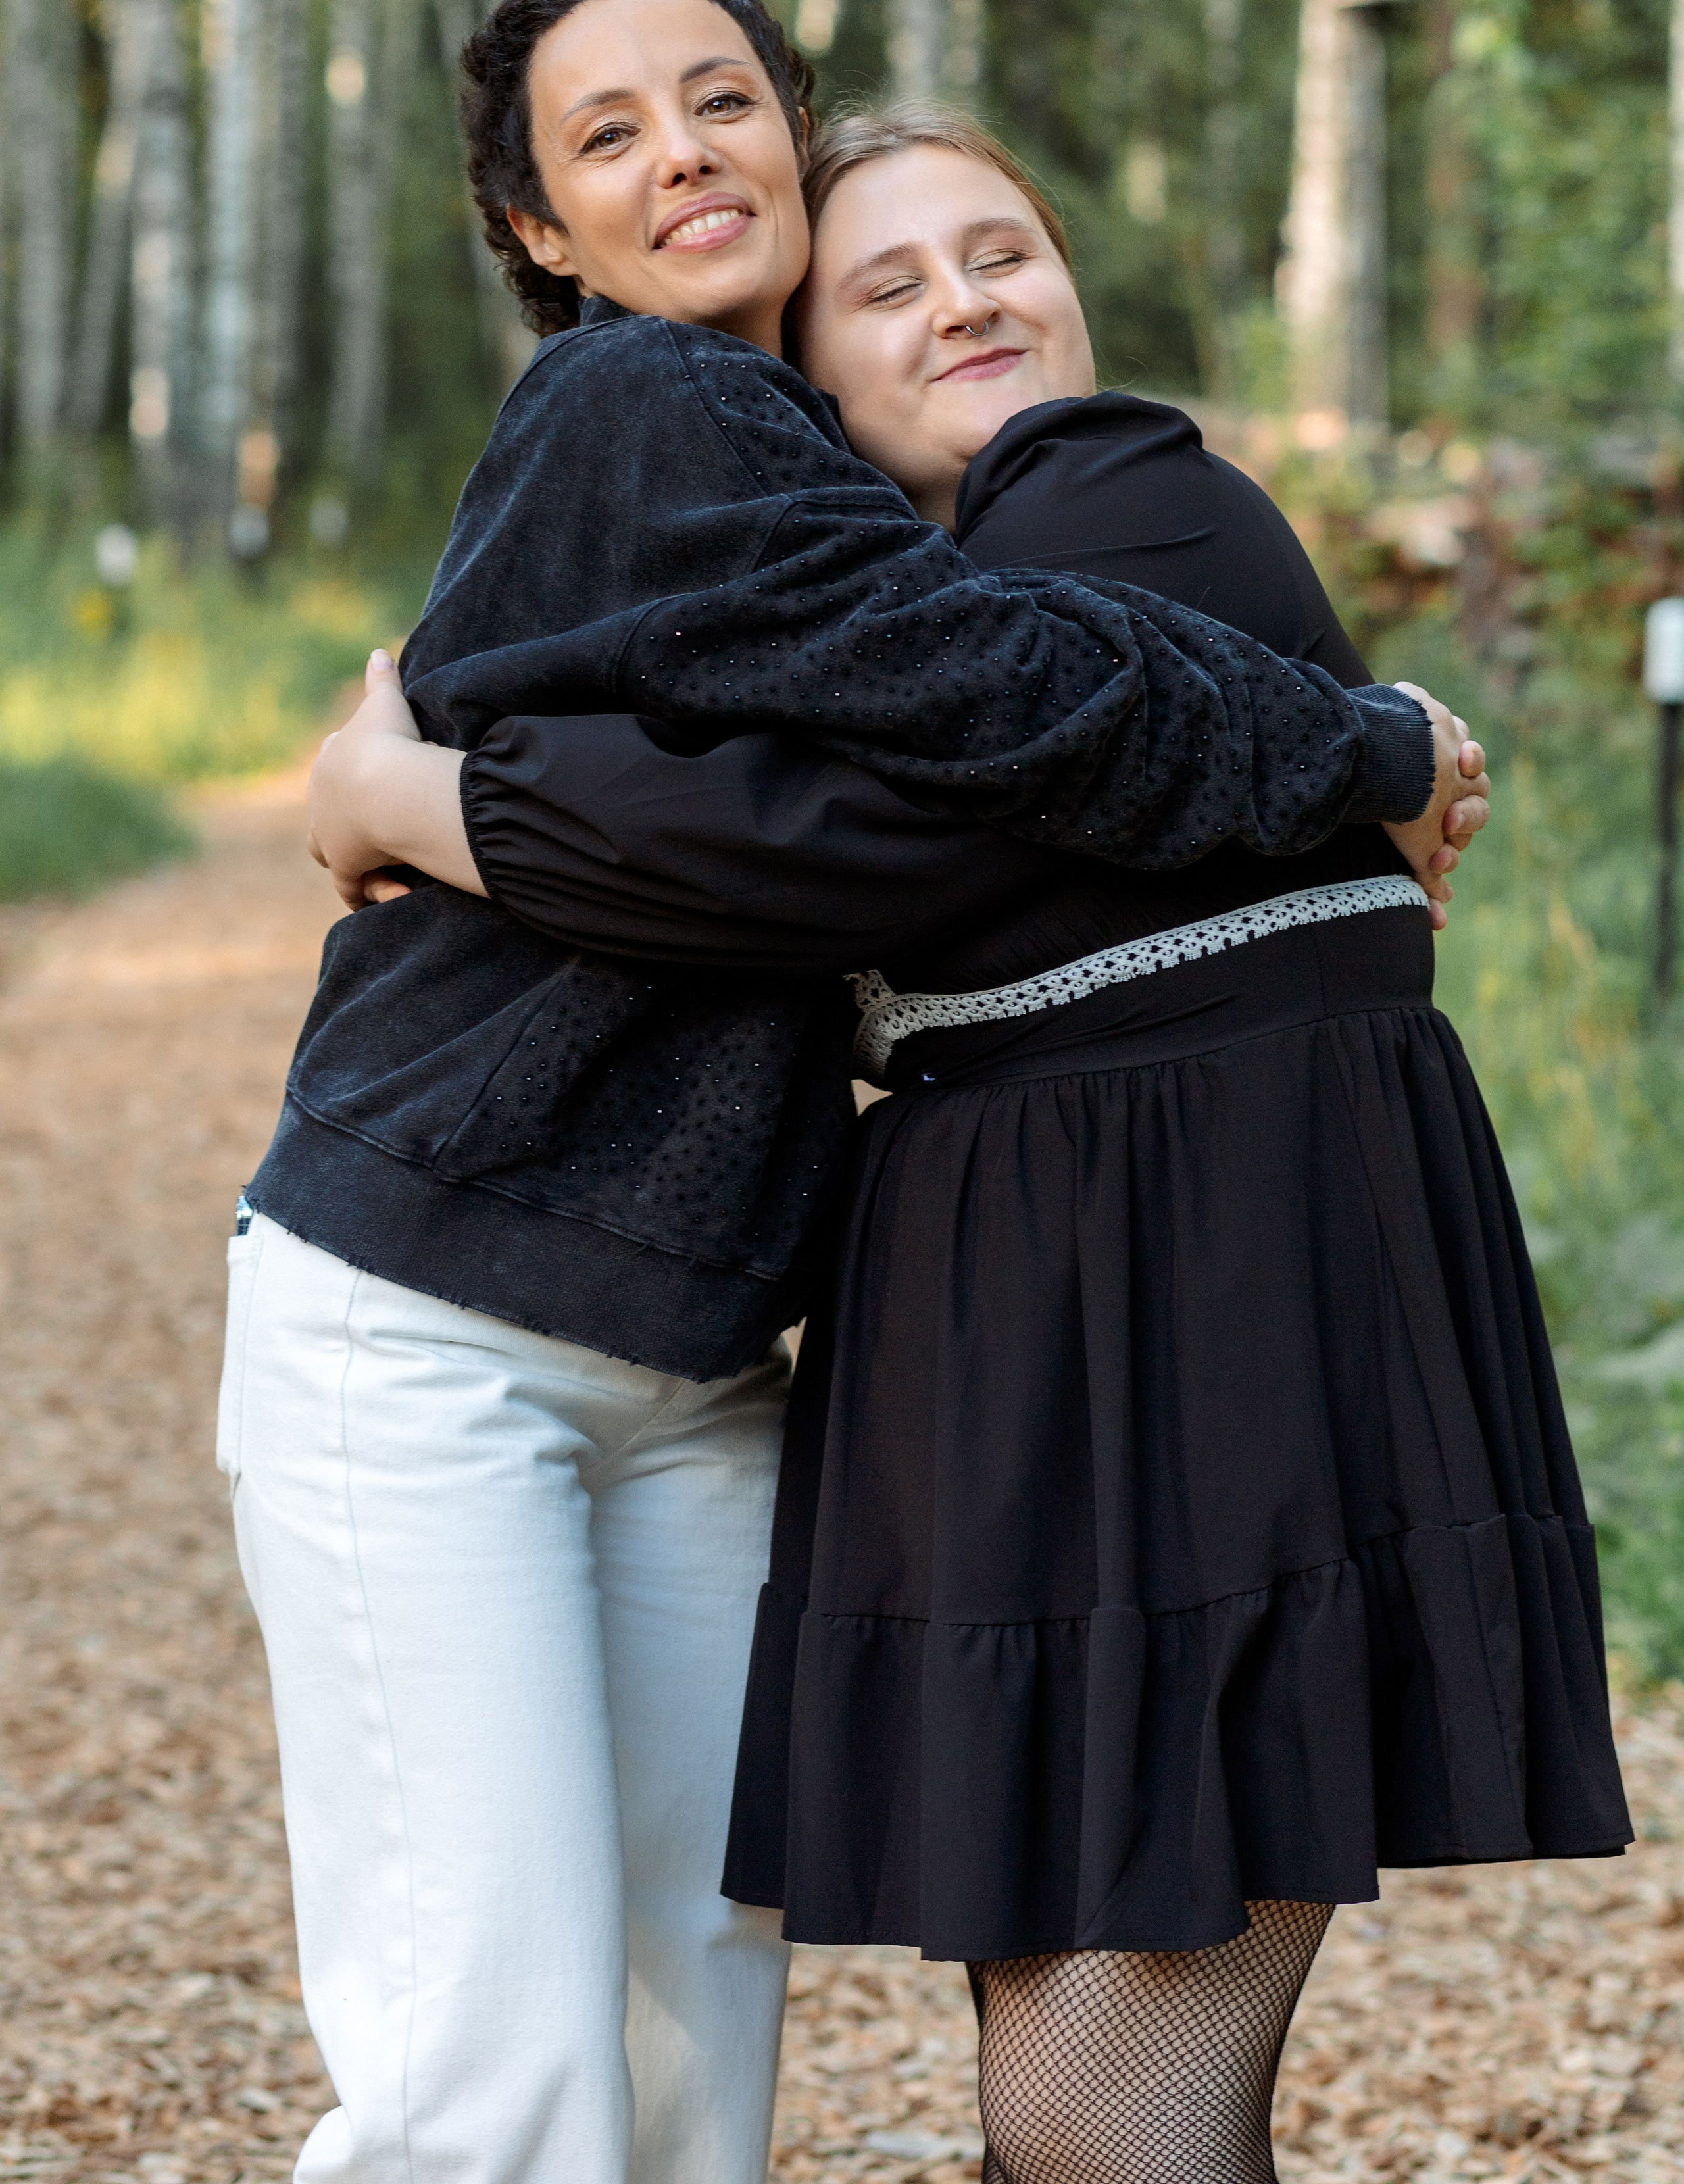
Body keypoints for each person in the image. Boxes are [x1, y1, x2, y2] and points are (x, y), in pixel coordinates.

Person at [309, 107, 1624, 2184]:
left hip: (1216, 1315)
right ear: (810, 387)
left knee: (1105, 2107)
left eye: (1002, 250)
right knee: (1065, 2087)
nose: (971, 303)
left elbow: (817, 849)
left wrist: (420, 798)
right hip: (1045, 1341)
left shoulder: (1129, 502)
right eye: (893, 285)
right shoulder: (893, 599)